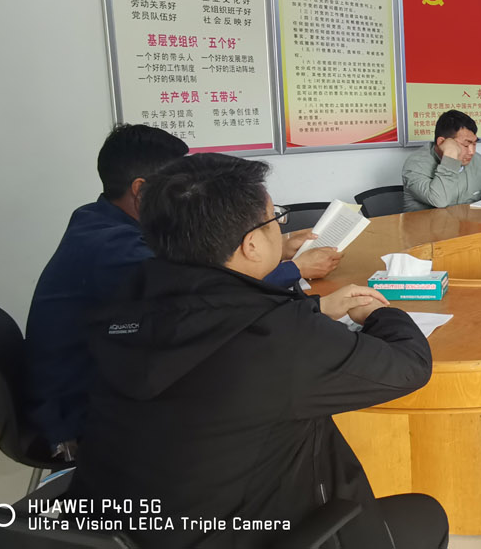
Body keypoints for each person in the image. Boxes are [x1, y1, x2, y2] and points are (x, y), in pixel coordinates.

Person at [67, 153, 447, 549]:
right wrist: (378, 314)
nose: (280, 228)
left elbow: (212, 324)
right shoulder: (279, 336)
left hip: (118, 533)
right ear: (251, 245)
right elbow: (409, 366)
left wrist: (312, 309)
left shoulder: (122, 306)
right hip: (248, 535)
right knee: (425, 514)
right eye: (275, 220)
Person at [24, 125, 340, 455]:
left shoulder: (100, 218)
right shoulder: (116, 250)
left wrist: (274, 249)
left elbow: (200, 273)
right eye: (178, 186)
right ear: (141, 190)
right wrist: (293, 270)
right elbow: (211, 297)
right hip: (79, 414)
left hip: (108, 378)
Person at [402, 109, 481, 212]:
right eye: (466, 145)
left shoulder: (478, 161)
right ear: (442, 142)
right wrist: (450, 156)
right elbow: (440, 200)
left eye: (474, 144)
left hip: (469, 222)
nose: (472, 151)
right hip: (427, 223)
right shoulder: (416, 165)